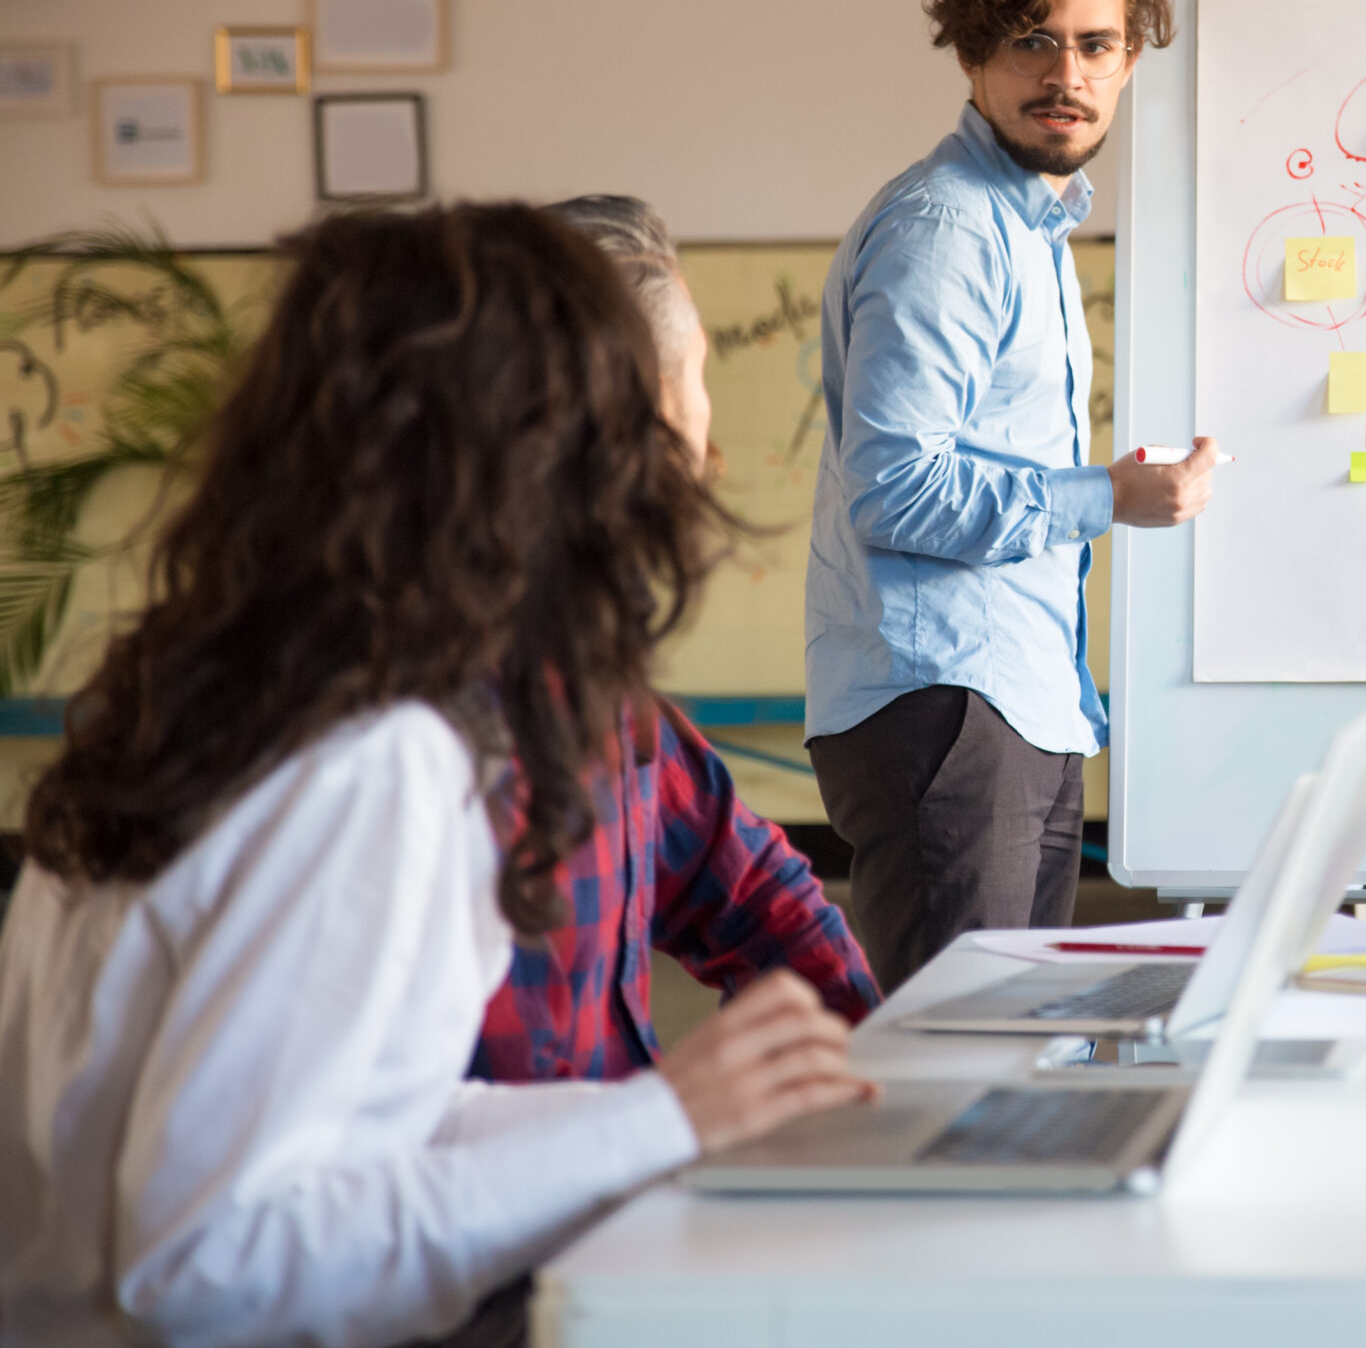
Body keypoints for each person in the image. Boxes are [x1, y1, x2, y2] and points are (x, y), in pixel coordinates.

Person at [0, 205, 871, 1348]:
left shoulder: (220, 685)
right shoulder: (381, 759)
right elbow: (213, 1263)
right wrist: (659, 1118)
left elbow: (371, 1123)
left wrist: (666, 1121)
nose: (684, 464)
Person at [805, 0, 1219, 993]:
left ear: (1132, 59)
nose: (1067, 75)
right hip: (948, 702)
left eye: (1096, 44)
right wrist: (1109, 499)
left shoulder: (1025, 224)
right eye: (1033, 40)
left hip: (1010, 698)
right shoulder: (948, 230)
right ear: (974, 49)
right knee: (959, 1065)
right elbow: (894, 490)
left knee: (1012, 1053)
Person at [465, 195, 876, 1086]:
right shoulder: (449, 720)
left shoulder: (599, 684)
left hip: (617, 1183)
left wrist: (878, 1062)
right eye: (699, 371)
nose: (709, 429)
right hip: (531, 1209)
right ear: (628, 403)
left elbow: (752, 889)